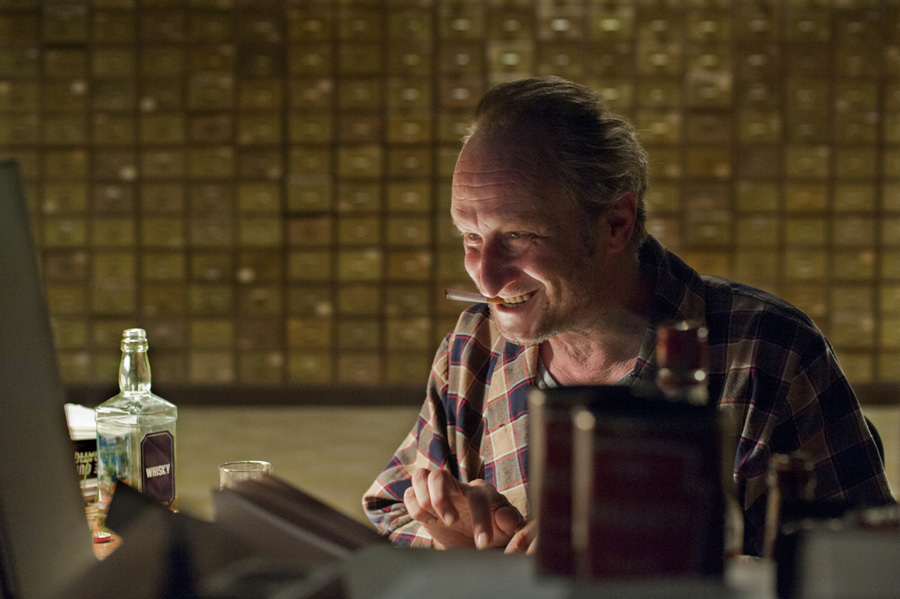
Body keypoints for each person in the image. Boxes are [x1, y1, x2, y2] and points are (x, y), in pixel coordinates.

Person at [362, 76, 895, 556]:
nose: (486, 277)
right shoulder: (472, 346)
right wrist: (456, 541)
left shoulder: (771, 351)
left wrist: (662, 559)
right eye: (471, 237)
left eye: (518, 236)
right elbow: (391, 510)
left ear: (616, 223)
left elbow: (865, 570)